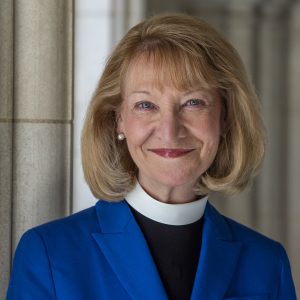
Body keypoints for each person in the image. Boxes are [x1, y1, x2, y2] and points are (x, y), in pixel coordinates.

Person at [7, 13, 296, 300]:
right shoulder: (49, 255)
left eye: (193, 102)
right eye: (146, 105)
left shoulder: (268, 265)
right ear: (118, 120)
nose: (170, 130)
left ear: (225, 118)